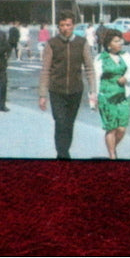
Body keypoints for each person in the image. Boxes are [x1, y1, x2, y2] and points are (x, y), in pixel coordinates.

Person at [38, 10, 97, 160]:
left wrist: (93, 91)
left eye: (68, 25)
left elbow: (90, 68)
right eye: (62, 25)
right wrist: (42, 95)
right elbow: (45, 70)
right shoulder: (52, 44)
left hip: (75, 90)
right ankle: (62, 155)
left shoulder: (81, 43)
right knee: (60, 123)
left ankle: (64, 152)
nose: (65, 28)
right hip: (56, 90)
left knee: (69, 124)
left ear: (73, 26)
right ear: (58, 27)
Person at [94, 29, 130, 160]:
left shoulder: (126, 55)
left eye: (120, 40)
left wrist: (126, 78)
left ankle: (112, 148)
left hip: (123, 95)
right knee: (111, 128)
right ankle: (112, 156)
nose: (120, 43)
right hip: (106, 96)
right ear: (109, 44)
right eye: (116, 41)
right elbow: (95, 78)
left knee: (122, 128)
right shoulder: (100, 58)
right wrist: (94, 97)